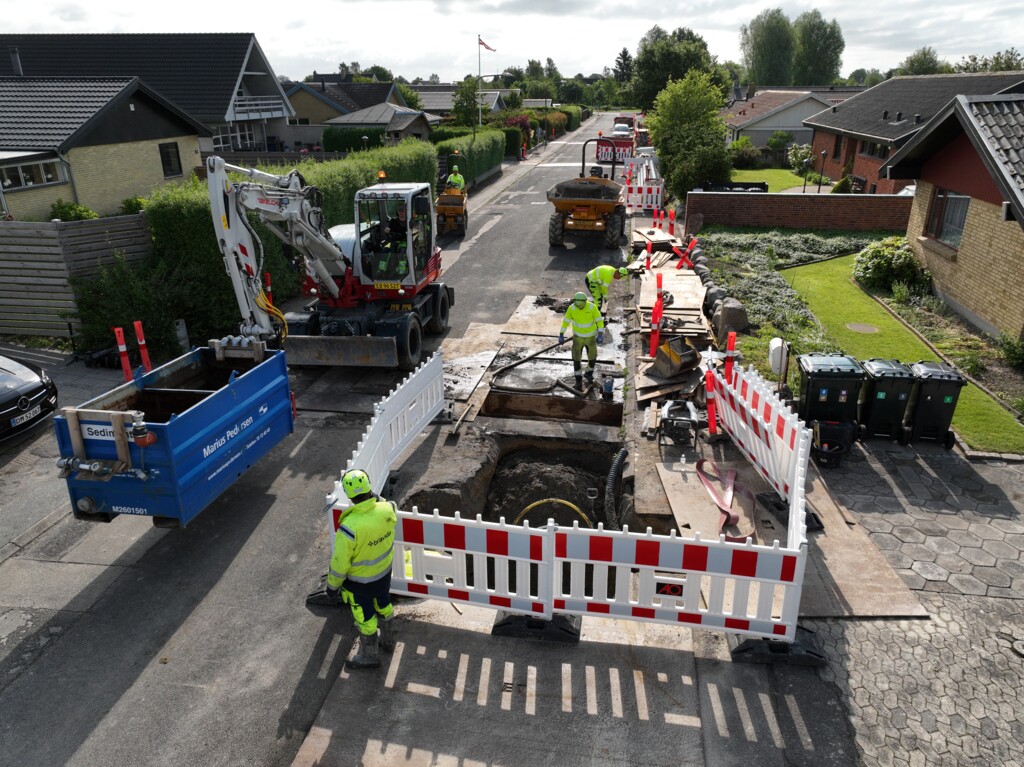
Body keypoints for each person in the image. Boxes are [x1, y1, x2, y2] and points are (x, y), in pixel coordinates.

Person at [326, 468, 399, 669]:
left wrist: (332, 587)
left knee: (365, 617)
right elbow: (386, 504)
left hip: (360, 585)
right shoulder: (387, 510)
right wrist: (374, 497)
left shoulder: (350, 527)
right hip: (383, 575)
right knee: (384, 605)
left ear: (349, 495)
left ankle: (369, 656)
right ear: (369, 488)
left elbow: (340, 564)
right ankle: (389, 641)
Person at [558, 292, 605, 390]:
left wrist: (600, 334)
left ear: (585, 302)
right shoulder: (572, 308)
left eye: (581, 306)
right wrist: (561, 334)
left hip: (590, 337)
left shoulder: (592, 307)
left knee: (592, 357)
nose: (579, 308)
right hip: (577, 337)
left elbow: (599, 321)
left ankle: (588, 373)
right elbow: (566, 321)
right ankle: (578, 381)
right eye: (577, 306)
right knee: (576, 359)